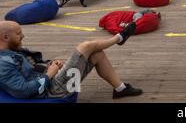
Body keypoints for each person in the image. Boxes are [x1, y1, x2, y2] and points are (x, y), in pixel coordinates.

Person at [0, 20, 142, 100]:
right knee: (86, 46)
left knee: (97, 53)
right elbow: (24, 91)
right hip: (51, 92)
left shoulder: (12, 50)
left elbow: (31, 67)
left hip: (51, 81)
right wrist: (49, 73)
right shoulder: (2, 64)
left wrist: (49, 65)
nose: (23, 36)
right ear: (5, 38)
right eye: (19, 34)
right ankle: (119, 38)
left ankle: (120, 89)